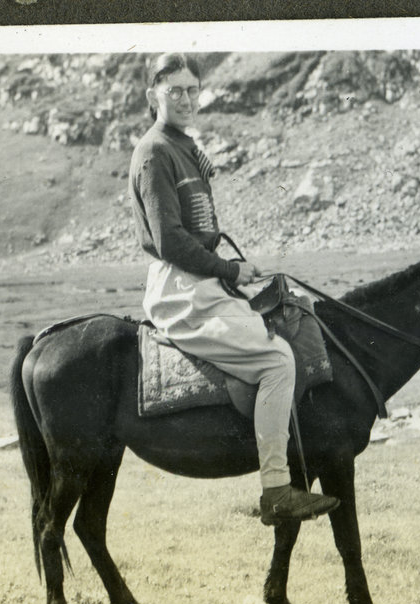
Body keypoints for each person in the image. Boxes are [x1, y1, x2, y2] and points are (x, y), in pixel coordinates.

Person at [128, 52, 339, 525]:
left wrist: (230, 267)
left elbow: (195, 231)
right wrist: (227, 270)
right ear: (151, 96)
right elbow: (167, 240)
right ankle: (276, 490)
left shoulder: (182, 146)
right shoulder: (154, 152)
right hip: (181, 289)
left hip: (202, 280)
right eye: (173, 91)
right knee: (277, 359)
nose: (185, 99)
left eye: (191, 90)